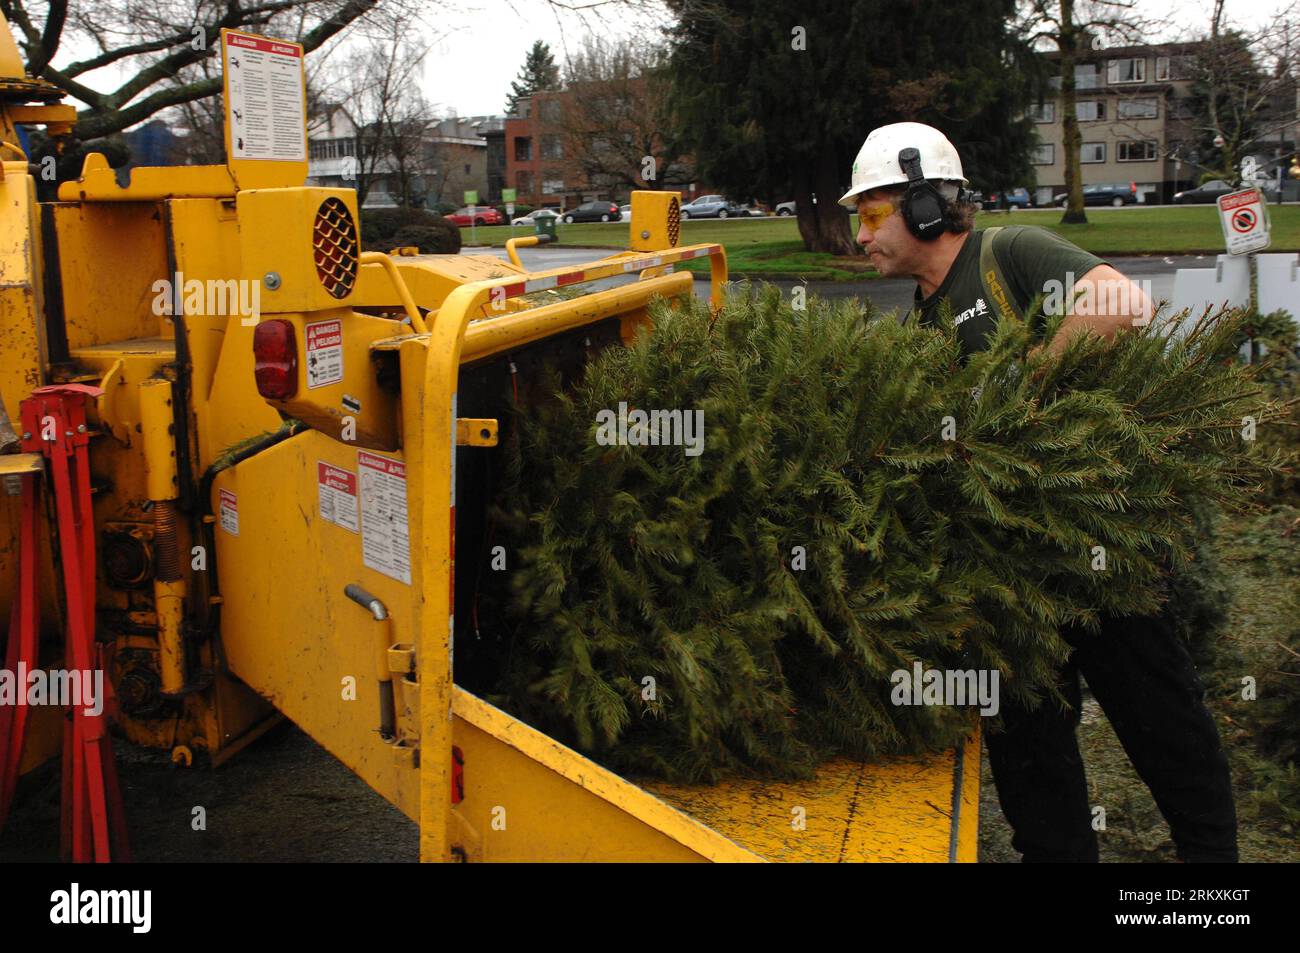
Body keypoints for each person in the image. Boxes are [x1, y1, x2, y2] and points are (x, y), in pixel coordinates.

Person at [838, 121, 1239, 863]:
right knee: (1031, 760)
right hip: (1010, 583)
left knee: (1165, 728)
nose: (859, 235)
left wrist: (1019, 386)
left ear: (926, 205)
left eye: (869, 213)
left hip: (1101, 559)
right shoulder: (919, 325)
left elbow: (1120, 305)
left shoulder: (1010, 253)